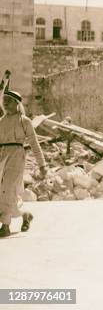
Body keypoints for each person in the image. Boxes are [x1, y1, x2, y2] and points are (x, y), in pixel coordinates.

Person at [0, 90, 46, 237]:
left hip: (17, 157)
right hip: (2, 157)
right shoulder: (1, 121)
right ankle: (25, 215)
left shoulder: (24, 121)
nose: (5, 103)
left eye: (9, 100)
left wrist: (42, 165)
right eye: (4, 100)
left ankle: (5, 225)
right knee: (4, 192)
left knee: (7, 188)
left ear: (17, 103)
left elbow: (34, 143)